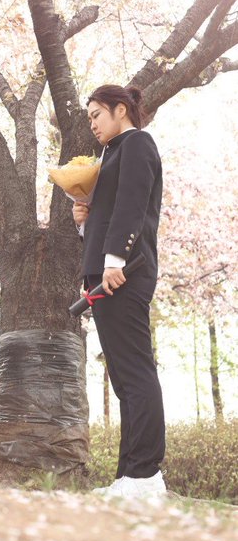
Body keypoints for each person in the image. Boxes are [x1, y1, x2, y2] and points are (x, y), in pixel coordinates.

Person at [73, 85, 166, 498]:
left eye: (97, 114)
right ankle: (129, 475)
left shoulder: (137, 144)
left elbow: (132, 205)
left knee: (135, 371)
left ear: (121, 110)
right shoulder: (111, 153)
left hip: (124, 273)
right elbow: (111, 213)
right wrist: (84, 222)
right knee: (124, 379)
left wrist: (114, 260)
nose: (92, 124)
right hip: (107, 274)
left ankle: (146, 475)